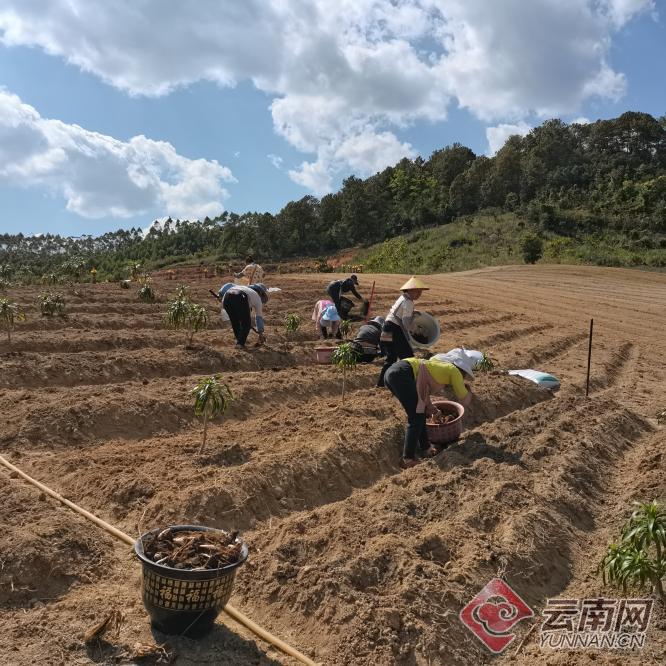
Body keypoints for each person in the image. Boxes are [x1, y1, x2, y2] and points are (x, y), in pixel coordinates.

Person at [384, 349, 475, 468]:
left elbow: (423, 392)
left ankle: (426, 447)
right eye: (465, 374)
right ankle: (408, 458)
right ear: (462, 369)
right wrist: (469, 393)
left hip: (393, 372)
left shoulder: (437, 366)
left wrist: (433, 410)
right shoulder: (454, 371)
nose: (463, 376)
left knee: (419, 413)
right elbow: (464, 400)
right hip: (402, 373)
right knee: (416, 416)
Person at [377, 276, 428, 387]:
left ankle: (380, 384)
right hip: (394, 329)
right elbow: (405, 323)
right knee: (409, 358)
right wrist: (416, 330)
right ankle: (410, 383)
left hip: (386, 328)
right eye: (417, 291)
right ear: (410, 290)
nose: (419, 294)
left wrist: (412, 315)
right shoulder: (409, 302)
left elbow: (401, 315)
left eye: (420, 292)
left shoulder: (402, 298)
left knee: (391, 358)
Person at [221, 282, 268, 349]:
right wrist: (260, 333)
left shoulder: (246, 289)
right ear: (260, 293)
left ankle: (239, 342)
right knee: (246, 323)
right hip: (240, 296)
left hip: (226, 298)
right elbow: (258, 318)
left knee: (235, 322)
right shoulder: (257, 297)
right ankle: (240, 343)